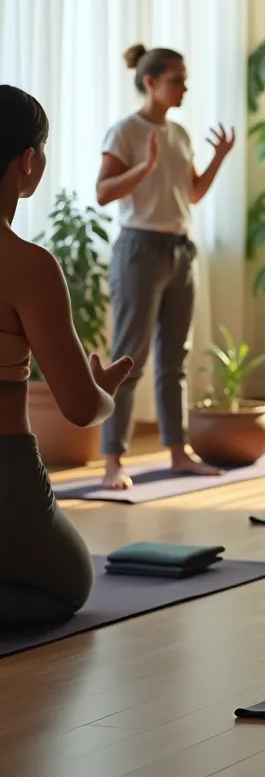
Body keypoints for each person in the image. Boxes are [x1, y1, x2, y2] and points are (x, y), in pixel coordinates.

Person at [0, 85, 134, 626]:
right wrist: (102, 389)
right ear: (28, 161)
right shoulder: (28, 265)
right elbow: (81, 408)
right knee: (70, 582)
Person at [94, 44, 236, 490]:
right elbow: (103, 192)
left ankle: (177, 452)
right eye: (176, 79)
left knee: (175, 360)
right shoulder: (125, 133)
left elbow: (191, 194)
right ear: (150, 82)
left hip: (180, 250)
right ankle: (113, 460)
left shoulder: (179, 134)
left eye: (185, 79)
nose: (184, 87)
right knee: (127, 359)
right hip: (139, 250)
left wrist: (219, 157)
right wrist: (145, 166)